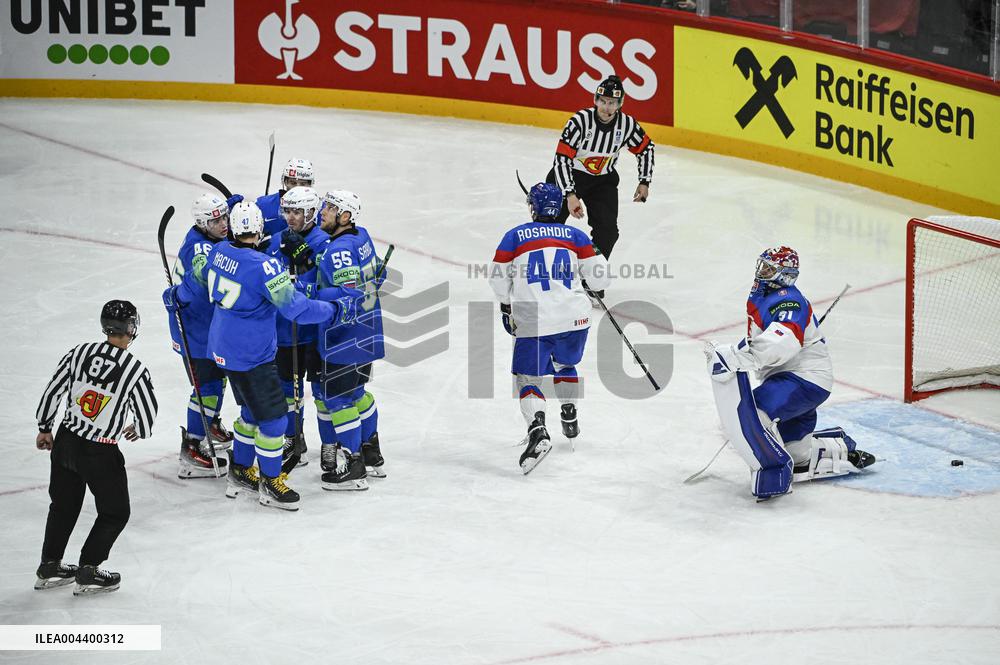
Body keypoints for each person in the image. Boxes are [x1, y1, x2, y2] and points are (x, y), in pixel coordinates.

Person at [163, 201, 352, 511]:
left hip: (221, 349)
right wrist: (334, 310)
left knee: (251, 413)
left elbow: (195, 277)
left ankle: (239, 472)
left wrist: (173, 297)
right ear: (260, 229)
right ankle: (270, 481)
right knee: (275, 420)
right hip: (251, 355)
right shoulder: (265, 267)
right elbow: (296, 309)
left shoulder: (216, 252)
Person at [705, 246, 875, 500]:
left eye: (769, 269)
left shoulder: (787, 300)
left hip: (801, 380)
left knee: (756, 415)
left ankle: (775, 472)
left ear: (785, 275)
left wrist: (739, 356)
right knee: (798, 455)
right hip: (795, 381)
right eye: (762, 266)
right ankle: (839, 446)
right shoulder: (770, 295)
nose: (761, 273)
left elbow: (782, 340)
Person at [34, 300, 158, 595]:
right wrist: (138, 429)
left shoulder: (79, 353)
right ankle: (88, 568)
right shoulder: (134, 369)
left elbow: (53, 389)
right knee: (115, 512)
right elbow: (147, 414)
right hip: (100, 452)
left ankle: (49, 565)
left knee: (63, 506)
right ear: (132, 329)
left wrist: (44, 427)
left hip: (65, 442)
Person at [488, 183, 610, 474]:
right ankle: (569, 410)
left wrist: (506, 305)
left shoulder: (514, 236)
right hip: (575, 319)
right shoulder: (576, 235)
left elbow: (497, 279)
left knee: (527, 377)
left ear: (534, 207)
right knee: (564, 363)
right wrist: (586, 282)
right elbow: (602, 280)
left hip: (535, 319)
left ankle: (538, 430)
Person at [546, 74, 654, 298]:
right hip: (571, 175)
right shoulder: (579, 122)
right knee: (549, 225)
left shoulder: (626, 125)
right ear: (595, 100)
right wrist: (570, 194)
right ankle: (544, 276)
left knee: (608, 232)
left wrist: (644, 181)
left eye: (612, 103)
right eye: (603, 101)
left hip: (602, 180)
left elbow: (646, 147)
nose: (606, 107)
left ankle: (590, 279)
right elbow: (562, 159)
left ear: (619, 104)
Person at [314, 189, 386, 490]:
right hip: (368, 331)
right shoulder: (363, 236)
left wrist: (313, 293)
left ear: (345, 216)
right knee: (356, 395)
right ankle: (372, 453)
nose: (323, 213)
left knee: (338, 399)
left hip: (345, 337)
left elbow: (349, 295)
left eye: (330, 209)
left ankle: (354, 464)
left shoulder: (338, 250)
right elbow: (378, 276)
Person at [263, 186, 333, 469]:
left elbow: (326, 286)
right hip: (283, 332)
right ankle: (294, 437)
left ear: (312, 213)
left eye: (297, 212)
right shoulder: (275, 240)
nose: (290, 218)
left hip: (314, 334)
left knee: (321, 394)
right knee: (287, 393)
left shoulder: (324, 242)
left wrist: (304, 266)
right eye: (287, 211)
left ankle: (329, 444)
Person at [166, 193, 233, 480]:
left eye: (225, 217)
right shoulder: (200, 251)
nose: (224, 224)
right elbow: (199, 286)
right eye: (216, 220)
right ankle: (192, 443)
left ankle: (210, 421)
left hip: (206, 329)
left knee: (218, 380)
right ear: (202, 222)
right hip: (195, 333)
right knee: (207, 388)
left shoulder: (204, 237)